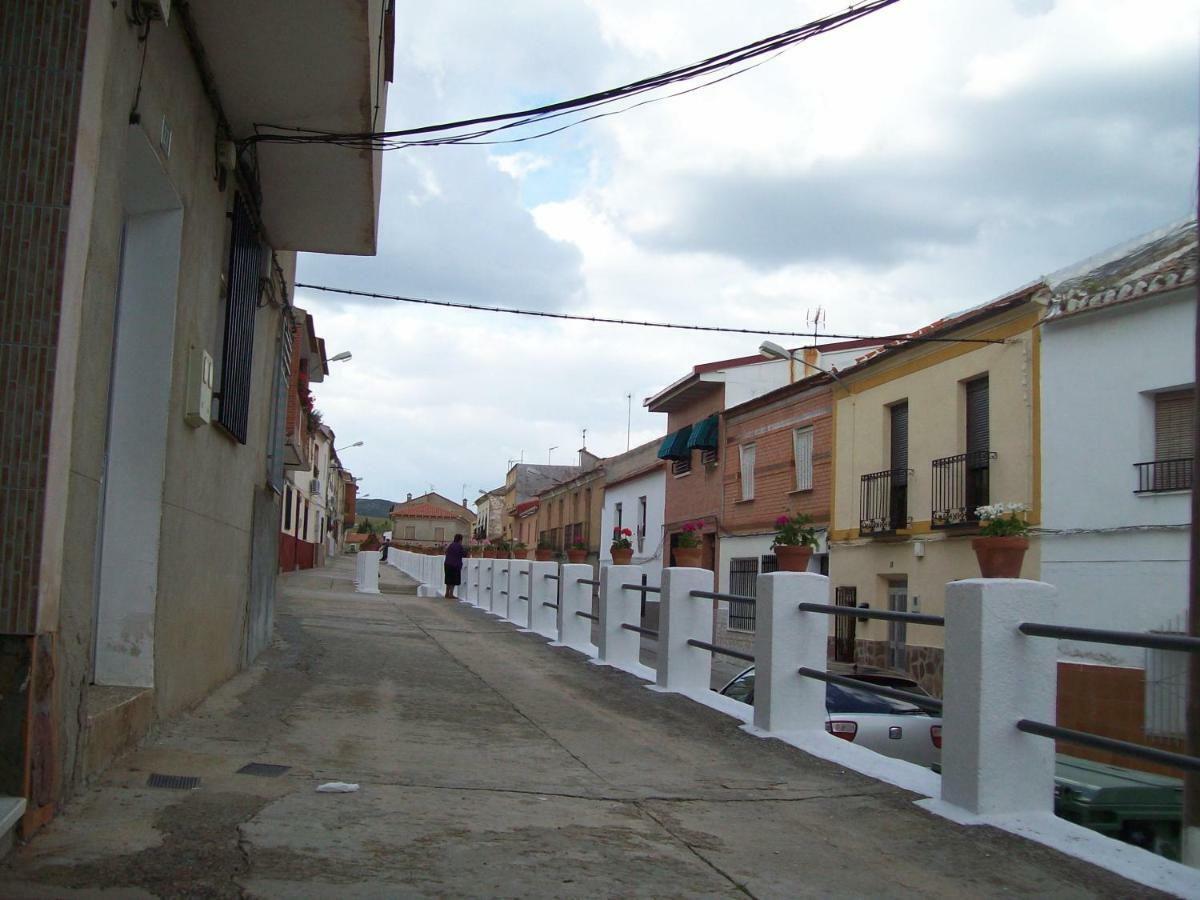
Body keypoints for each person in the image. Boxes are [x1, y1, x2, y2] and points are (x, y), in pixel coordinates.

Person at [443, 533, 466, 600]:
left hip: (447, 564)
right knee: (453, 580)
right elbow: (464, 554)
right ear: (460, 540)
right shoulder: (459, 546)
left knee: (448, 579)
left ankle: (447, 593)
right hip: (455, 565)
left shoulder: (451, 545)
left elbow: (446, 552)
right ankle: (451, 594)